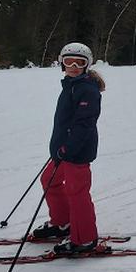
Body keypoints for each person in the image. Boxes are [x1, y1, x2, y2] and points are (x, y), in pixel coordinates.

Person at [32, 42, 106, 256]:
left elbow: (84, 124)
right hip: (63, 149)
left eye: (79, 62)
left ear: (87, 65)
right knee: (49, 181)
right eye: (68, 61)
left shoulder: (88, 90)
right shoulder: (71, 85)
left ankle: (85, 239)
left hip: (76, 151)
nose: (73, 66)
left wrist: (67, 148)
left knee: (77, 192)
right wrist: (59, 147)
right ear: (62, 63)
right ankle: (62, 222)